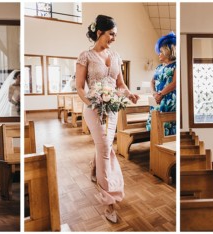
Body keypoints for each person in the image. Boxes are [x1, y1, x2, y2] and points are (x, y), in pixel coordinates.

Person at [76, 14, 139, 223]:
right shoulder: (86, 56)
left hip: (112, 109)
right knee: (105, 148)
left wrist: (129, 94)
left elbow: (120, 83)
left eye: (116, 35)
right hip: (93, 109)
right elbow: (79, 87)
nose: (114, 38)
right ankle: (109, 201)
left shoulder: (117, 56)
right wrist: (92, 104)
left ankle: (95, 167)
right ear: (99, 32)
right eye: (111, 34)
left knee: (104, 146)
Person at [145, 32, 177, 135]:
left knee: (166, 127)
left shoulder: (176, 65)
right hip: (157, 100)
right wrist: (154, 93)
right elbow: (152, 82)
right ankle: (155, 149)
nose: (159, 54)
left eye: (161, 51)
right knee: (155, 127)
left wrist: (161, 94)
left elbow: (174, 83)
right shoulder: (159, 67)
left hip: (169, 100)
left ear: (168, 52)